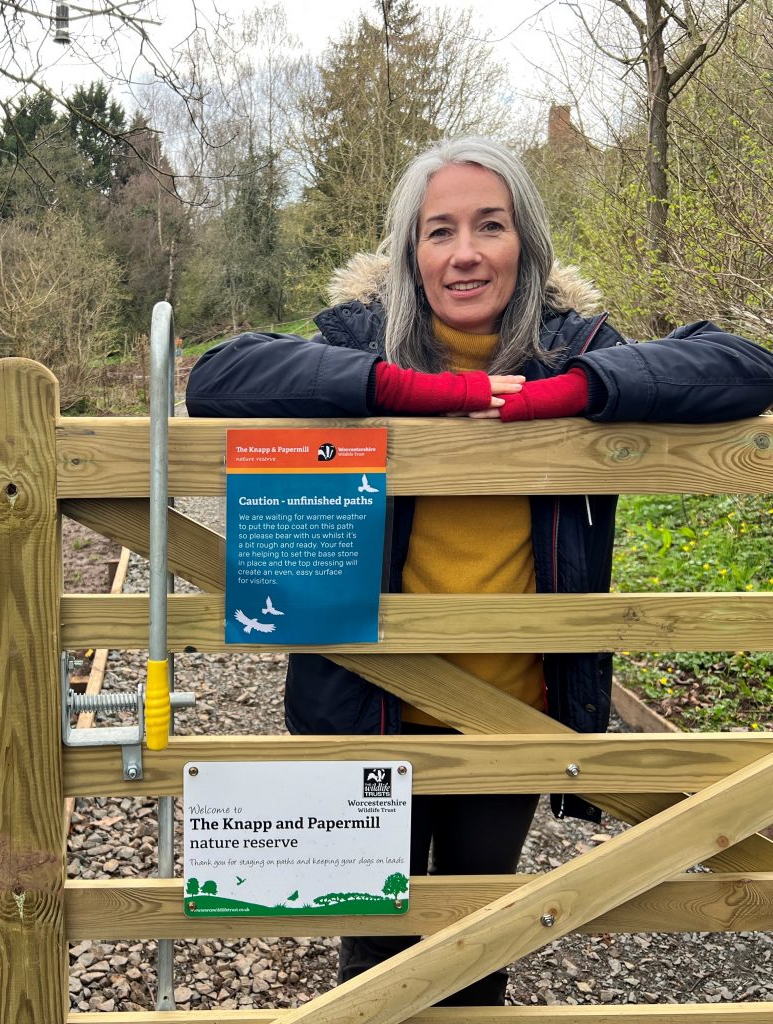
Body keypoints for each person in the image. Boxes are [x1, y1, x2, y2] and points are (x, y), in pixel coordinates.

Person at [185, 136, 773, 1005]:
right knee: (371, 958)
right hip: (368, 710)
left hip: (511, 717)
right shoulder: (358, 339)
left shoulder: (577, 345)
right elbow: (219, 377)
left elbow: (743, 366)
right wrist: (407, 393)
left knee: (477, 950)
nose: (465, 252)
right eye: (439, 231)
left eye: (489, 226)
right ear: (409, 253)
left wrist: (570, 393)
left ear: (525, 243)